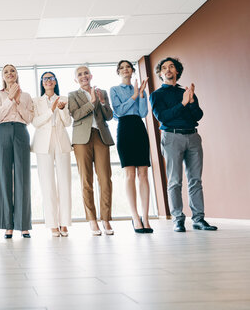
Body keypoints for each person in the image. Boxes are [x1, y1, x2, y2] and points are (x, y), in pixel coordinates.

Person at [150, 57, 217, 233]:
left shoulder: (187, 92)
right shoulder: (156, 95)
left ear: (177, 71)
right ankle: (178, 220)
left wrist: (192, 101)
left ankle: (198, 219)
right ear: (160, 74)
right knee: (174, 181)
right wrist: (183, 103)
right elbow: (163, 117)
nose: (168, 70)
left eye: (171, 66)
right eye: (164, 68)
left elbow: (198, 116)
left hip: (193, 137)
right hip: (172, 137)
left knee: (195, 180)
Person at [67, 66, 115, 236]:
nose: (83, 76)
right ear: (76, 79)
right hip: (81, 139)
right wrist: (91, 102)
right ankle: (92, 220)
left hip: (101, 136)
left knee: (105, 179)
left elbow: (109, 116)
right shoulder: (72, 95)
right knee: (86, 181)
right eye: (79, 74)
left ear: (91, 75)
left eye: (86, 73)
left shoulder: (102, 91)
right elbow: (76, 114)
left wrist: (101, 102)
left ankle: (106, 219)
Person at [110, 60, 153, 234]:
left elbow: (143, 113)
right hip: (125, 128)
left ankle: (146, 217)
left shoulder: (140, 88)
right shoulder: (114, 90)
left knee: (143, 173)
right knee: (130, 173)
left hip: (139, 127)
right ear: (118, 72)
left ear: (132, 70)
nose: (125, 69)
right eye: (122, 68)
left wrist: (141, 94)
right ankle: (135, 217)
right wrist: (134, 95)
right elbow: (119, 112)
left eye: (128, 67)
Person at [0, 64, 34, 239]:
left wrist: (17, 100)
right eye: (6, 72)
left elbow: (29, 118)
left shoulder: (26, 95)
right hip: (2, 131)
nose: (10, 74)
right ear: (3, 76)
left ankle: (23, 225)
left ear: (17, 74)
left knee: (22, 177)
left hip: (21, 131)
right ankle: (7, 225)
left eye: (13, 71)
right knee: (3, 175)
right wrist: (9, 98)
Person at [31, 71, 72, 237]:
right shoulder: (36, 101)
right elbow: (35, 122)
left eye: (51, 78)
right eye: (45, 79)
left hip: (61, 140)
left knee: (65, 182)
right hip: (43, 143)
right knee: (47, 183)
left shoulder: (64, 99)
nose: (48, 81)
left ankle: (64, 223)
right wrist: (51, 110)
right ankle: (52, 224)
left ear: (55, 82)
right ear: (42, 82)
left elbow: (68, 122)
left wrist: (61, 110)